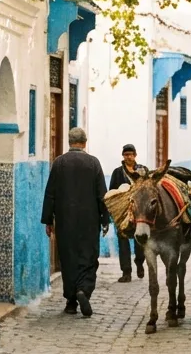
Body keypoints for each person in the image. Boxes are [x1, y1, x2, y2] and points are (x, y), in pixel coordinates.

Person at [41, 127, 110, 317]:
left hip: (65, 221)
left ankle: (71, 301)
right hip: (89, 221)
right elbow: (102, 195)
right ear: (85, 142)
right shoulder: (93, 163)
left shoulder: (59, 163)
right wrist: (105, 219)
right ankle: (84, 290)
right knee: (88, 257)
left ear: (69, 142)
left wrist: (48, 220)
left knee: (68, 258)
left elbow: (50, 194)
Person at [109, 143, 146, 282]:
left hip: (139, 213)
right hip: (123, 213)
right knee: (123, 242)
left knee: (140, 241)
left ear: (135, 155)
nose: (129, 157)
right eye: (126, 155)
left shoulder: (142, 170)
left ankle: (140, 263)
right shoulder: (117, 173)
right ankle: (126, 272)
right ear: (123, 156)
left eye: (131, 154)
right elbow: (112, 192)